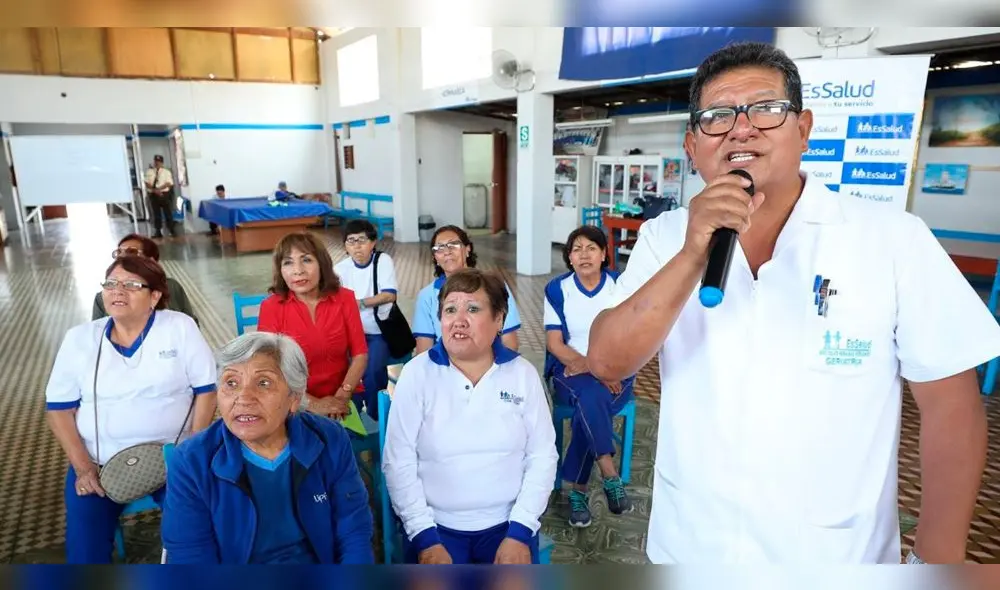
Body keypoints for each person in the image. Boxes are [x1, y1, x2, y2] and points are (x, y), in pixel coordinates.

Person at [587, 41, 1000, 564]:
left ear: (803, 130)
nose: (741, 127)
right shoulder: (663, 237)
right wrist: (693, 252)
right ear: (693, 146)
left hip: (836, 555)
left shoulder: (891, 239)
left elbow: (952, 406)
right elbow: (607, 360)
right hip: (693, 546)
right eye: (717, 116)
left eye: (765, 108)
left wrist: (941, 557)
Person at [45, 255, 217, 564]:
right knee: (85, 551)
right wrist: (83, 466)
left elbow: (206, 389)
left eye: (131, 285)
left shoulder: (179, 326)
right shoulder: (80, 339)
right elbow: (59, 409)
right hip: (99, 464)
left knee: (195, 535)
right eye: (110, 284)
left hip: (172, 459)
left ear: (154, 296)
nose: (117, 292)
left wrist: (193, 444)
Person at [382, 269, 557, 565]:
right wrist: (424, 537)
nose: (458, 320)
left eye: (473, 309)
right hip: (436, 527)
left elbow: (542, 456)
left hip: (508, 525)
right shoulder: (417, 373)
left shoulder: (522, 374)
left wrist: (521, 530)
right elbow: (398, 461)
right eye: (450, 309)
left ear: (499, 319)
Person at [161, 332, 375, 564]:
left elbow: (354, 529)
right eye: (231, 383)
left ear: (294, 398)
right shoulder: (192, 461)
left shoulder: (329, 438)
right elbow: (191, 560)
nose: (243, 398)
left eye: (263, 383)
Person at [544, 225, 634, 527]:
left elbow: (632, 338)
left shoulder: (620, 286)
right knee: (591, 394)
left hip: (617, 370)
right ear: (569, 257)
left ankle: (577, 491)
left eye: (591, 248)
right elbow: (555, 344)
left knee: (589, 400)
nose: (584, 255)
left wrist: (605, 368)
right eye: (577, 249)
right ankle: (610, 475)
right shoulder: (558, 289)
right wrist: (592, 366)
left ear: (604, 254)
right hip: (570, 369)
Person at [257, 231, 368, 421]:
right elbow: (269, 368)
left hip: (342, 395)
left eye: (306, 260)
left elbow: (360, 354)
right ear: (280, 271)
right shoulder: (271, 307)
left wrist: (343, 394)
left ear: (322, 264)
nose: (298, 270)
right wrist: (312, 403)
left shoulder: (345, 299)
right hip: (292, 400)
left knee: (338, 441)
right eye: (288, 262)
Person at [412, 225, 521, 354]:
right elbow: (424, 349)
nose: (447, 251)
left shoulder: (494, 286)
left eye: (453, 244)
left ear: (467, 249)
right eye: (439, 248)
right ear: (435, 257)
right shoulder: (427, 296)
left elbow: (509, 341)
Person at [333, 219, 401, 419]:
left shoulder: (383, 261)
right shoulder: (340, 269)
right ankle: (351, 416)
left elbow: (389, 295)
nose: (356, 246)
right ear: (345, 246)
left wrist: (357, 303)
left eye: (361, 240)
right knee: (340, 373)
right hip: (351, 334)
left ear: (372, 242)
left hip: (378, 332)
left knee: (372, 374)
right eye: (351, 241)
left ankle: (375, 418)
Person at [91, 233, 198, 325]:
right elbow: (96, 337)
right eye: (119, 252)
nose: (122, 257)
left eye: (131, 252)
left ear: (151, 261)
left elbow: (191, 324)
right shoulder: (102, 299)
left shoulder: (172, 287)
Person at [145, 154, 176, 238]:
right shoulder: (149, 172)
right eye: (156, 161)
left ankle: (171, 230)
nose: (157, 163)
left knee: (168, 213)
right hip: (153, 195)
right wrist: (155, 190)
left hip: (164, 195)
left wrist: (158, 189)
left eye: (159, 162)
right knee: (156, 214)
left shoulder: (166, 172)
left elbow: (169, 183)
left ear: (162, 163)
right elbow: (147, 183)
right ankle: (158, 231)